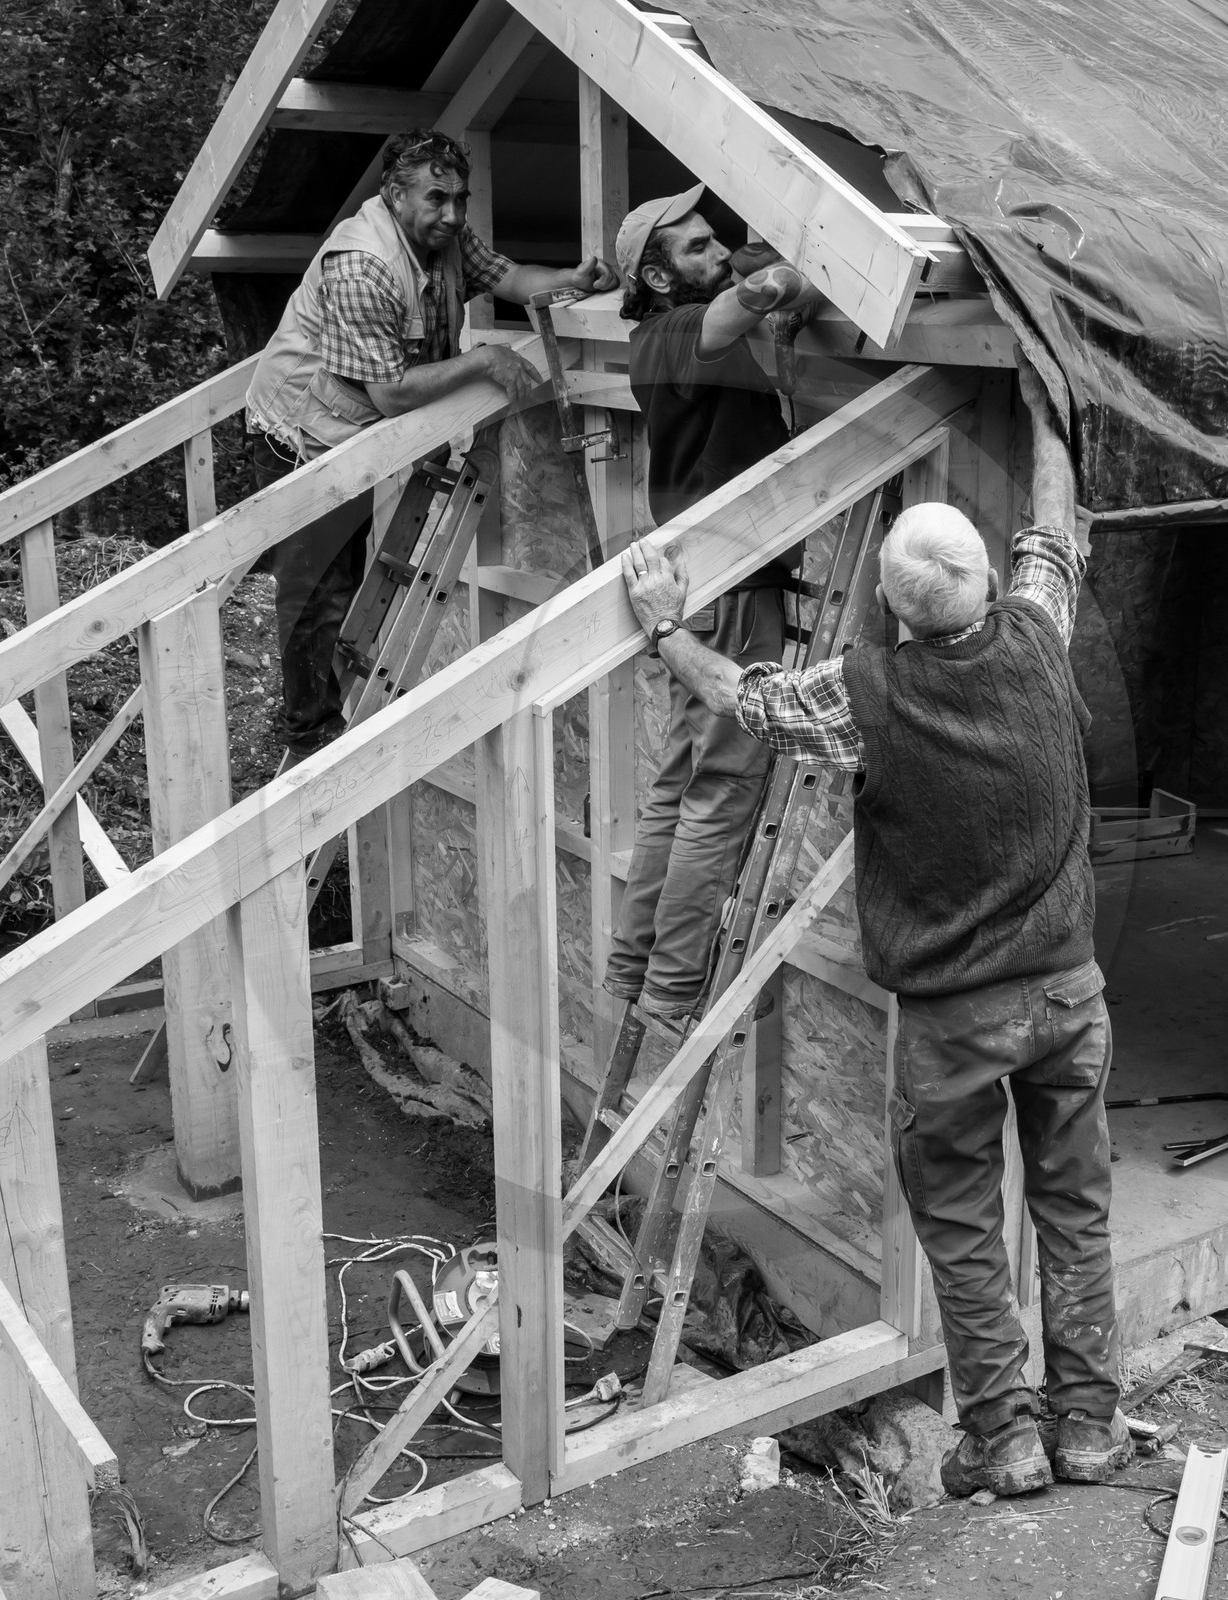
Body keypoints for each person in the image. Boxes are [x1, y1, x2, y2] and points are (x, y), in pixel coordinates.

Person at [616, 352, 1131, 1498]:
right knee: (1075, 1210)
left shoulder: (864, 695)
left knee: (962, 1224)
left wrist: (664, 626)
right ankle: (1090, 1427)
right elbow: (1055, 523)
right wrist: (1045, 398)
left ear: (892, 610)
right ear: (988, 579)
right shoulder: (1039, 627)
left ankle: (1003, 1440)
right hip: (1067, 998)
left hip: (954, 1023)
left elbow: (742, 698)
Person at [245, 128, 617, 761]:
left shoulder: (442, 236)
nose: (452, 213)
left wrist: (569, 278)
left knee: (344, 581)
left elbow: (508, 276)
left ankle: (325, 713)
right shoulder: (362, 266)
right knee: (316, 589)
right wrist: (484, 360)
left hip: (354, 432)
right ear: (395, 196)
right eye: (437, 199)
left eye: (460, 199)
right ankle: (309, 735)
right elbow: (391, 393)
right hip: (303, 435)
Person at [603, 184, 819, 1026]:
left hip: (699, 588)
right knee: (721, 788)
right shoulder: (670, 335)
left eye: (713, 236)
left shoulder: (661, 339)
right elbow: (752, 296)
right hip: (729, 585)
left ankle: (634, 966)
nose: (719, 250)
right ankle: (673, 986)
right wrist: (788, 278)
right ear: (658, 279)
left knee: (677, 785)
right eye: (695, 247)